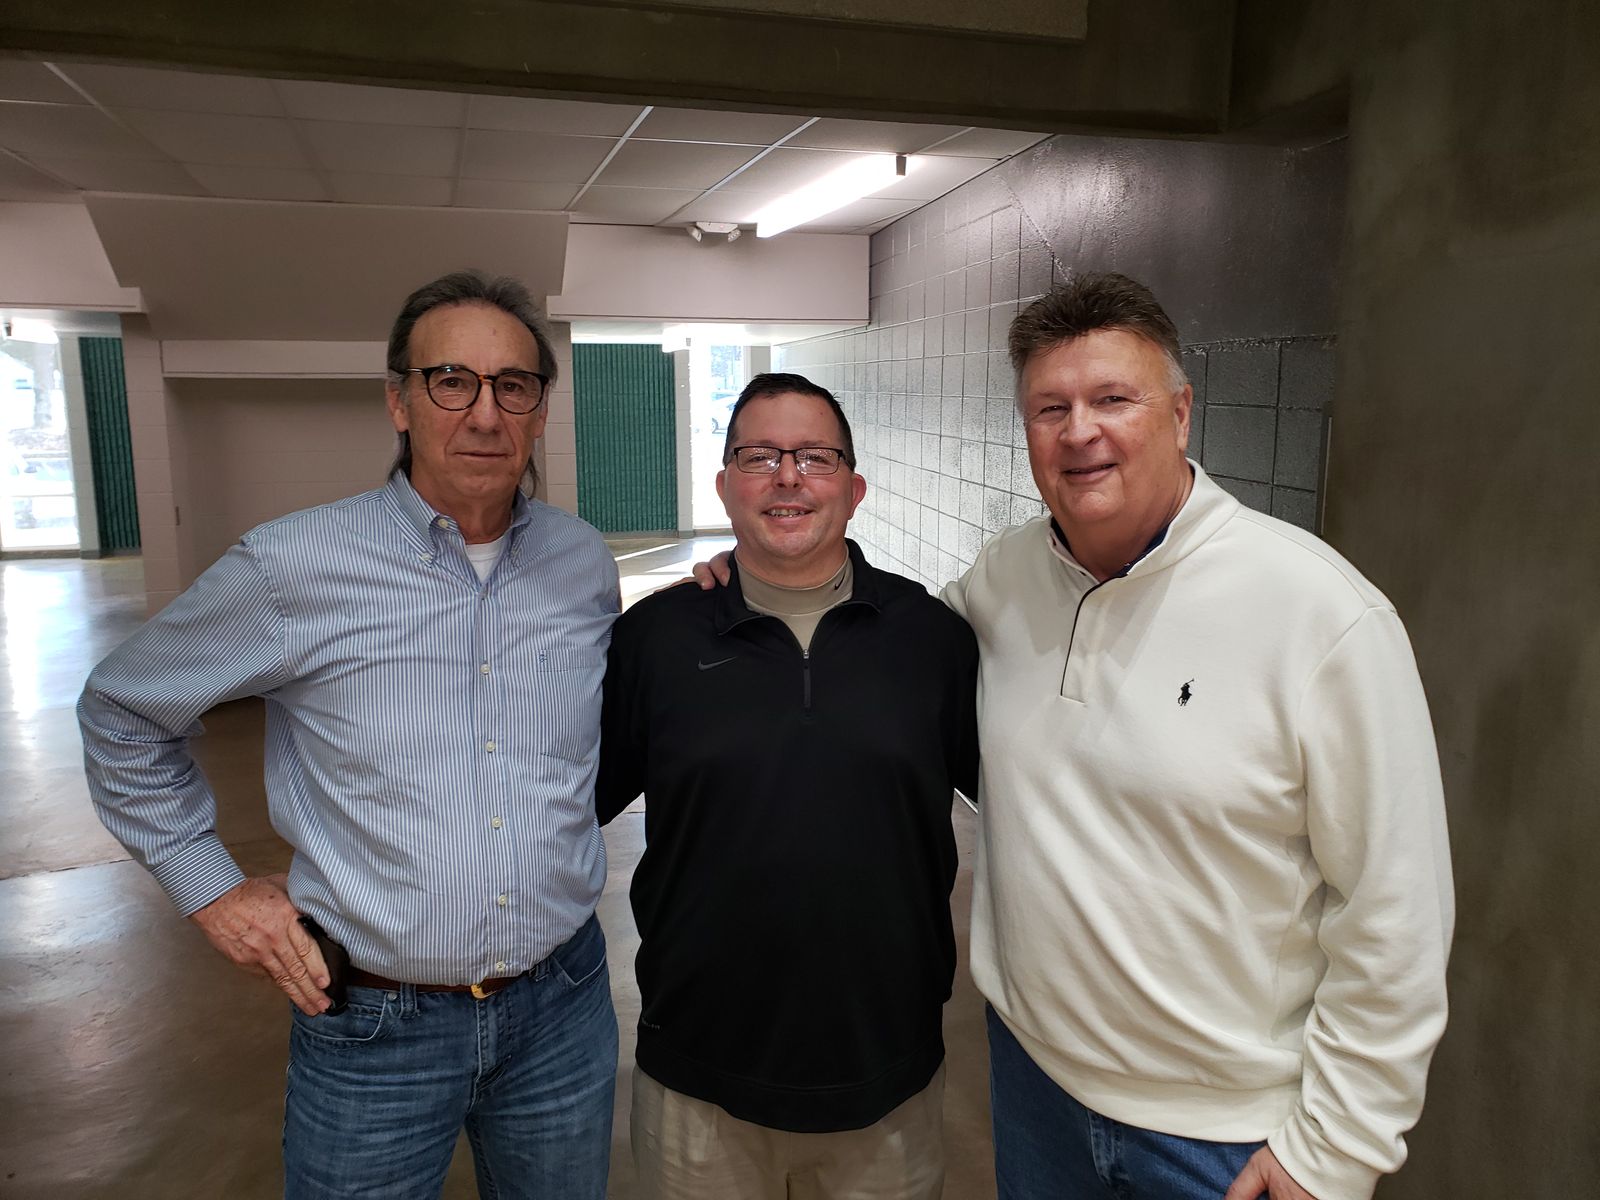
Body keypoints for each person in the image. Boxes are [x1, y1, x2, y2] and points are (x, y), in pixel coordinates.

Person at [78, 270, 620, 1199]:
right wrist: (214, 892)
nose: (484, 414)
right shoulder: (291, 567)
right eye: (451, 381)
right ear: (399, 402)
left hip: (563, 1008)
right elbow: (123, 710)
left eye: (513, 386)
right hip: (375, 1029)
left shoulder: (581, 562)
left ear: (538, 413)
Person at [945, 273, 1454, 1200]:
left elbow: (1396, 907)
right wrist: (760, 583)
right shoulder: (1004, 576)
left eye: (1114, 399)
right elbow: (886, 642)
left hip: (1221, 1139)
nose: (1079, 431)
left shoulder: (1320, 614)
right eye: (1050, 408)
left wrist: (1338, 1148)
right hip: (1031, 1082)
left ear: (1181, 414)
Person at [598, 372, 979, 1200]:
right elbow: (563, 805)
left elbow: (1027, 807)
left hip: (887, 1075)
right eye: (759, 456)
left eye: (815, 456)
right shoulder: (654, 640)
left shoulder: (933, 642)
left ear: (854, 488)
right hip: (697, 1077)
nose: (787, 476)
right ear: (725, 485)